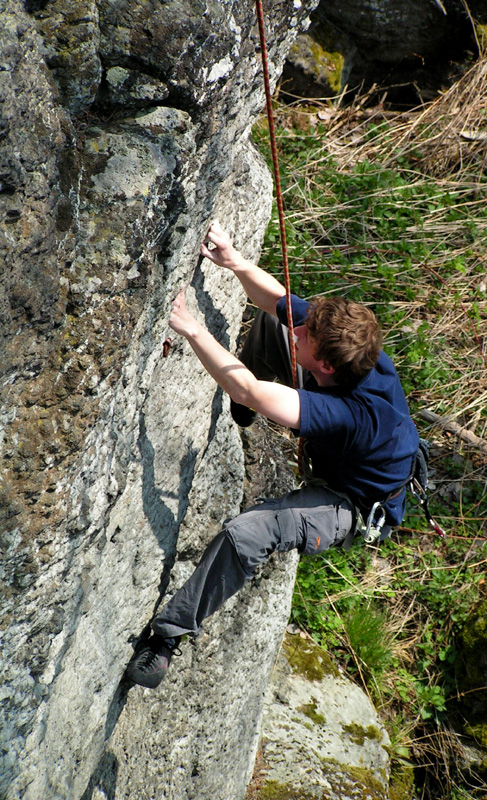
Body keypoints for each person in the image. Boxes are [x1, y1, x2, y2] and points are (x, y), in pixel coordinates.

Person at [127, 220, 419, 688]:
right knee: (271, 321)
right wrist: (234, 260)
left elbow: (247, 387)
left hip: (352, 503)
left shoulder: (352, 414)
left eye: (306, 336)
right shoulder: (354, 349)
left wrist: (191, 328)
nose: (299, 331)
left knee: (251, 531)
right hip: (350, 445)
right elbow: (276, 302)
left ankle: (166, 639)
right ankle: (243, 413)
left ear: (325, 365)